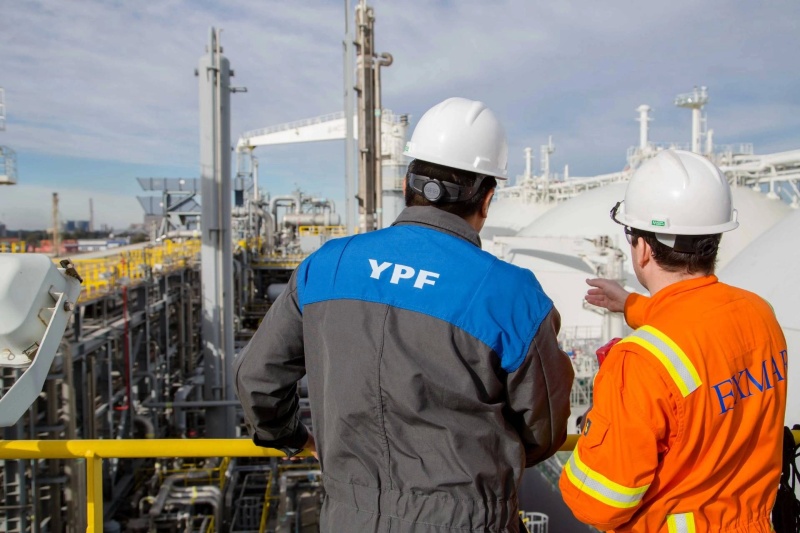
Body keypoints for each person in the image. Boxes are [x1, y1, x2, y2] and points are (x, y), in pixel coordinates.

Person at [234, 97, 574, 532]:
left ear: (406, 183)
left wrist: (294, 438)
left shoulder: (327, 265)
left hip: (348, 517)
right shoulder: (511, 292)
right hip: (466, 520)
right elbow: (545, 430)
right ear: (487, 198)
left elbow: (257, 379)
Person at [559, 149, 788, 532]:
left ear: (644, 249)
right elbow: (700, 328)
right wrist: (631, 304)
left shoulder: (640, 362)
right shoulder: (759, 314)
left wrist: (599, 424)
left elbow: (597, 504)